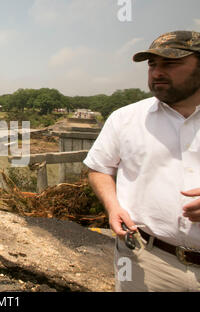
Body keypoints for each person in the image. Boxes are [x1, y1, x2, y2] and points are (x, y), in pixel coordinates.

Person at [84, 30, 200, 292]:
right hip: (148, 262)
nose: (157, 72)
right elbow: (99, 169)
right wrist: (113, 207)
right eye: (152, 65)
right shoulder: (125, 119)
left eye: (170, 64)